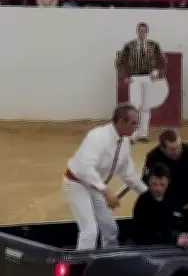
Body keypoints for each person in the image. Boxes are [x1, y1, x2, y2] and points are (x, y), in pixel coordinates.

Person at [63, 104, 147, 250]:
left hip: (96, 187)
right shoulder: (97, 136)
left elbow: (128, 175)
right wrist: (105, 190)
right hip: (76, 184)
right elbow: (85, 168)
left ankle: (110, 258)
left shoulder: (125, 142)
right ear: (121, 121)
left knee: (110, 229)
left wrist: (148, 193)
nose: (136, 127)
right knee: (90, 231)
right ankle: (81, 263)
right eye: (133, 123)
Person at [115, 22, 165, 143]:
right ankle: (133, 134)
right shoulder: (129, 46)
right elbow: (119, 62)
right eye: (140, 31)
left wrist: (158, 72)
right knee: (134, 106)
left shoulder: (154, 45)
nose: (142, 33)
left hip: (149, 77)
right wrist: (124, 77)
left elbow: (162, 61)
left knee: (146, 106)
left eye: (144, 31)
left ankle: (143, 133)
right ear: (137, 32)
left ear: (147, 32)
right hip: (135, 78)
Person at [131, 164, 188, 247]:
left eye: (162, 184)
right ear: (149, 182)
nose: (158, 189)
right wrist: (175, 240)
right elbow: (144, 236)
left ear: (168, 182)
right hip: (152, 247)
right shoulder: (143, 203)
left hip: (171, 238)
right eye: (155, 184)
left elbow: (177, 221)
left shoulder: (173, 197)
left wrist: (184, 234)